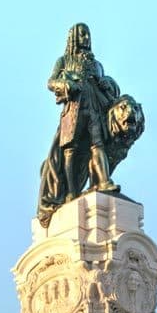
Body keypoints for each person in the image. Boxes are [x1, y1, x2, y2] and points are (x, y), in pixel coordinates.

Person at [37, 24, 120, 226]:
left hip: (93, 108)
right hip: (74, 109)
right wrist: (64, 84)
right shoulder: (64, 61)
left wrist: (108, 84)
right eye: (81, 33)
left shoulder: (96, 65)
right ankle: (72, 193)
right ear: (73, 37)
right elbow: (51, 81)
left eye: (87, 34)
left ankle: (102, 181)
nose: (85, 37)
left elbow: (107, 86)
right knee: (70, 151)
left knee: (97, 145)